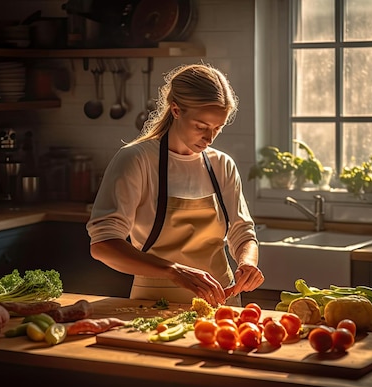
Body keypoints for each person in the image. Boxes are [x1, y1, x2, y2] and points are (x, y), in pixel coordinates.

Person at [87, 63, 264, 307]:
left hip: (222, 303)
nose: (209, 137)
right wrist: (174, 271)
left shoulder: (222, 164)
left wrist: (247, 263)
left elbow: (242, 232)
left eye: (217, 128)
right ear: (176, 110)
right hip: (155, 305)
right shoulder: (136, 159)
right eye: (201, 127)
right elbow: (103, 245)